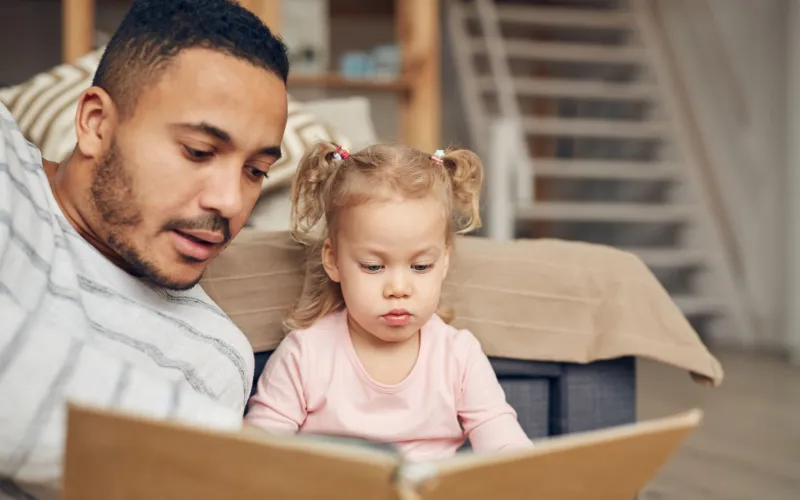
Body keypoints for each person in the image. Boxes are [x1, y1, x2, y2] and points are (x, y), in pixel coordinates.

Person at [0, 0, 289, 496]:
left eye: (255, 171)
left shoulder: (212, 355)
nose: (230, 202)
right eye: (198, 152)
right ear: (95, 122)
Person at [245, 143, 532, 462]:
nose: (398, 288)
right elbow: (258, 453)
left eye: (421, 266)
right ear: (334, 260)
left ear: (445, 261)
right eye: (373, 266)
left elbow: (504, 442)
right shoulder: (305, 355)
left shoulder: (458, 355)